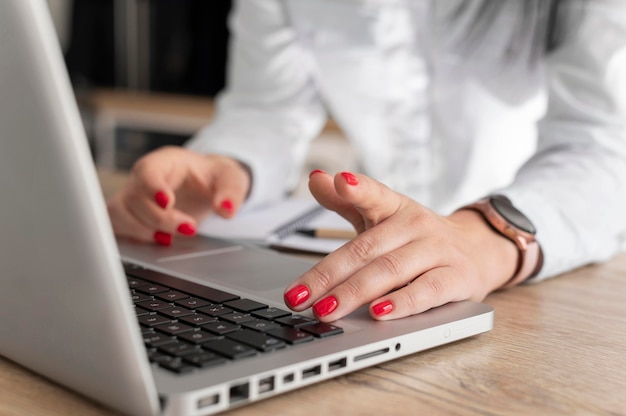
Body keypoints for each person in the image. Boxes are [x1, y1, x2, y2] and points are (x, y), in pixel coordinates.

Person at [107, 0, 626, 323]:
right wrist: (228, 165)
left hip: (547, 264)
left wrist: (488, 234)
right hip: (376, 270)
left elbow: (605, 145)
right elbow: (268, 106)